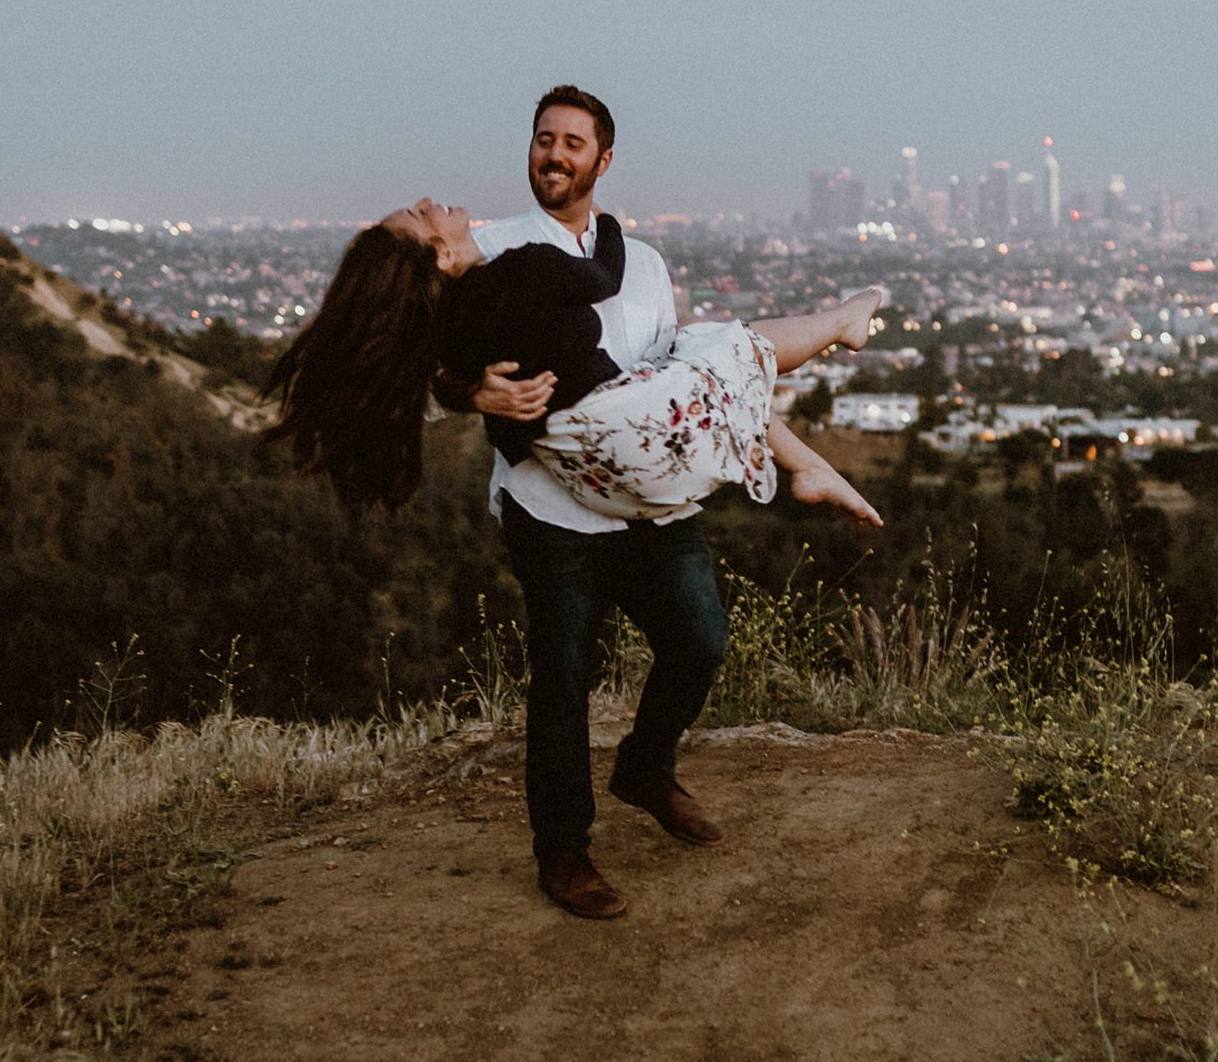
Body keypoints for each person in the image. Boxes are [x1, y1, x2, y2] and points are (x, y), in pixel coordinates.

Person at [266, 85, 882, 918]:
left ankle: (646, 768)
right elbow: (391, 373)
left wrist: (763, 439)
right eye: (542, 139)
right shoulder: (484, 251)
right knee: (562, 679)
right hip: (552, 513)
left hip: (647, 506)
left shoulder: (649, 267)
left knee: (699, 642)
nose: (553, 155)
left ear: (603, 159)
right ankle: (564, 855)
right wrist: (469, 396)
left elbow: (686, 392)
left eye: (571, 143)